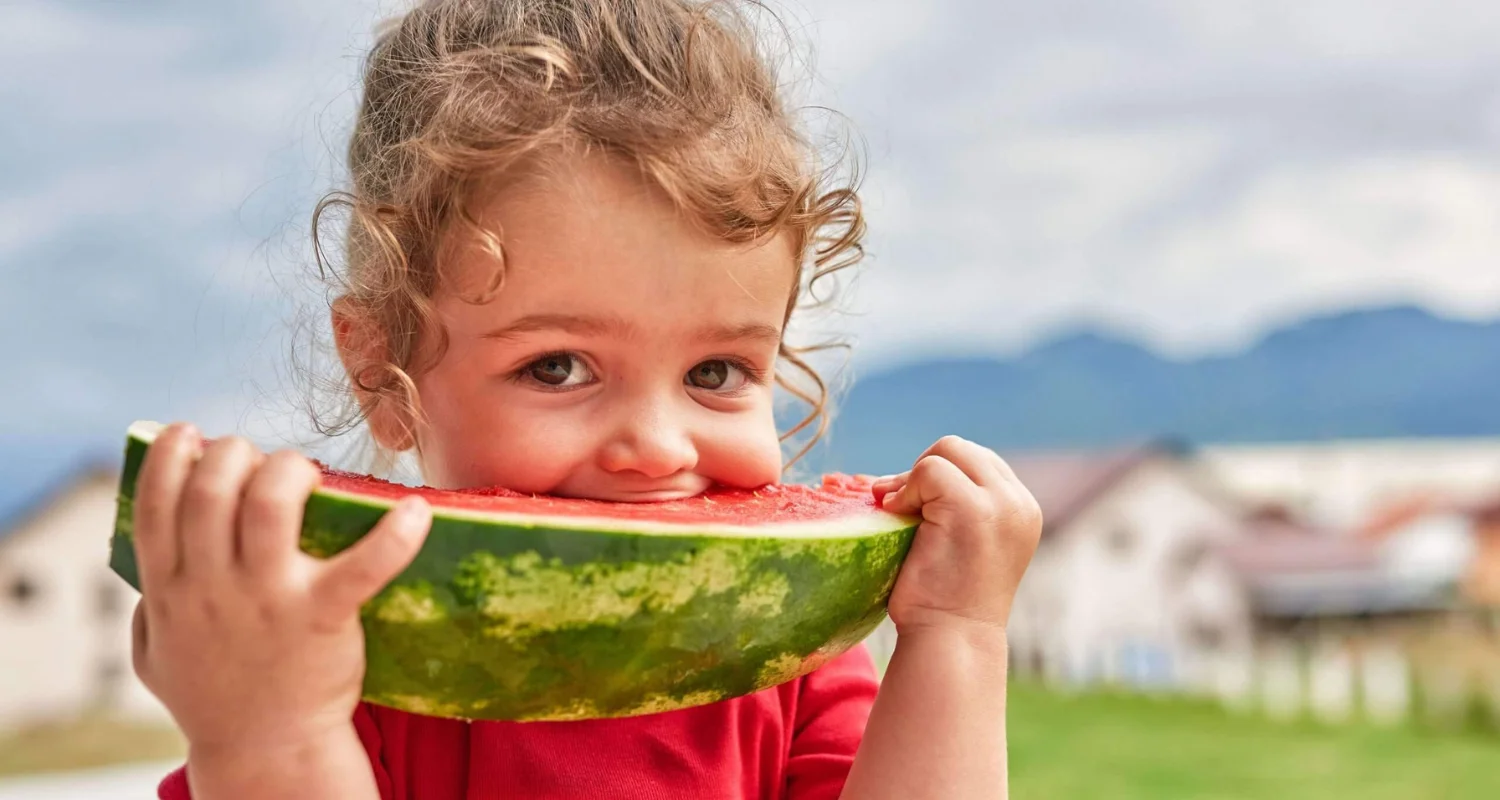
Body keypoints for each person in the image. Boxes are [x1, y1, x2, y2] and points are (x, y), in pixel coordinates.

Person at [130, 1, 1042, 797]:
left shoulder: (787, 663)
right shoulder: (339, 668)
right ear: (384, 374)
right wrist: (268, 738)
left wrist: (957, 641)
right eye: (557, 367)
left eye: (716, 373)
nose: (656, 448)